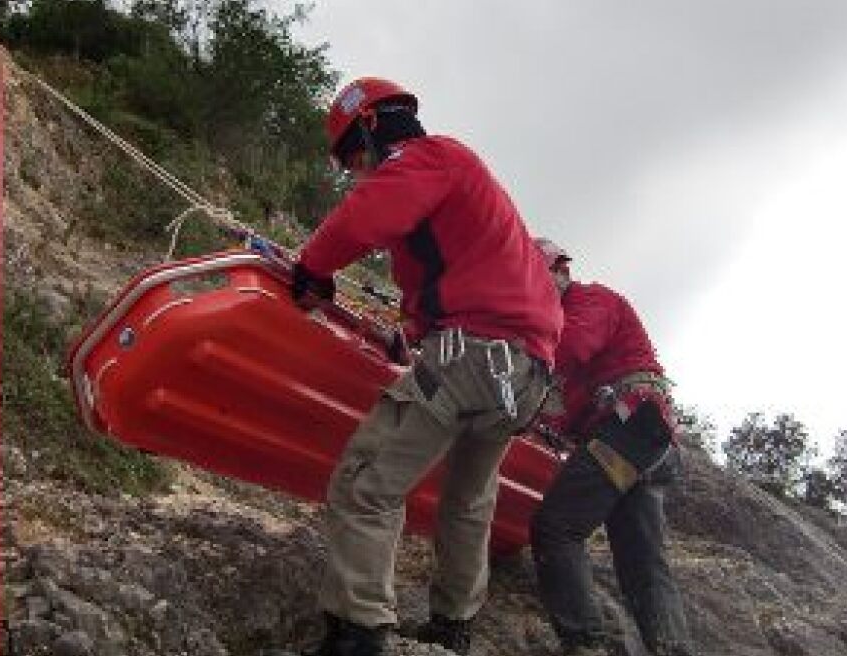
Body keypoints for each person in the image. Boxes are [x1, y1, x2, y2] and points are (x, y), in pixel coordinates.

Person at [291, 77, 563, 656]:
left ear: (370, 127)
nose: (356, 171)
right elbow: (452, 289)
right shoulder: (467, 190)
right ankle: (452, 626)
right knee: (467, 503)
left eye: (353, 158)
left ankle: (360, 631)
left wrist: (312, 267)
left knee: (367, 483)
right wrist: (410, 336)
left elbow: (365, 218)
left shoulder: (430, 157)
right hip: (524, 376)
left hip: (473, 357)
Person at [530, 238, 695, 656]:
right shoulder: (578, 323)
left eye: (538, 278)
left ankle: (585, 643)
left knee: (557, 527)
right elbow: (569, 416)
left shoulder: (592, 301)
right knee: (644, 566)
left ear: (561, 272)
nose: (533, 288)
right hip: (645, 444)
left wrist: (518, 349)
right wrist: (535, 421)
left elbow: (569, 348)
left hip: (631, 427)